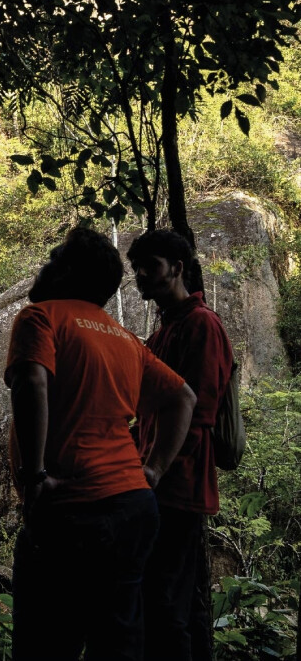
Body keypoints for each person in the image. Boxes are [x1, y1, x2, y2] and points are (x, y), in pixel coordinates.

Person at [5, 227, 197, 661]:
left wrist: (34, 475)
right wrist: (154, 470)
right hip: (132, 506)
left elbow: (32, 379)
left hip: (73, 507)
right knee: (118, 641)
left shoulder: (41, 318)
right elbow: (183, 397)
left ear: (68, 271)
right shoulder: (123, 338)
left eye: (53, 256)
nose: (45, 263)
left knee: (46, 639)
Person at [128, 230, 233, 661]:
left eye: (150, 265)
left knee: (168, 605)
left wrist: (155, 468)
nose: (140, 275)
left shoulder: (202, 324)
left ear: (177, 267)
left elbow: (200, 411)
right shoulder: (165, 330)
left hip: (179, 486)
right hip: (154, 483)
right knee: (159, 601)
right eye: (137, 268)